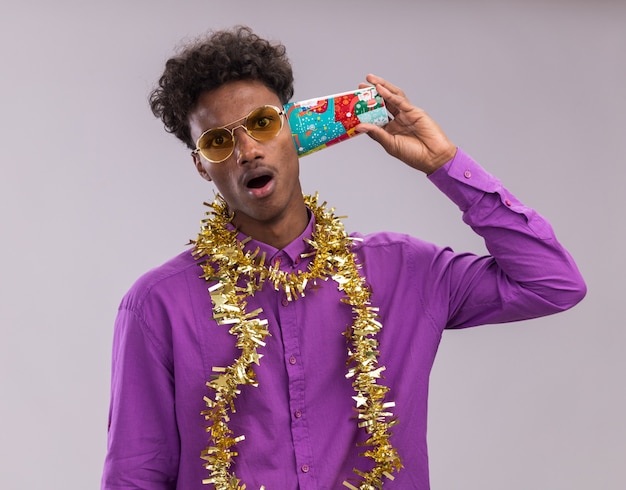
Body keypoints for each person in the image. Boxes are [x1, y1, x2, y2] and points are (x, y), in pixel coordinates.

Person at [101, 26, 586, 490]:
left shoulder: (404, 271)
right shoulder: (156, 306)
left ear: (297, 129)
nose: (247, 151)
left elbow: (552, 284)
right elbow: (135, 476)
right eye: (219, 141)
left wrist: (445, 165)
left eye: (262, 123)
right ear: (201, 166)